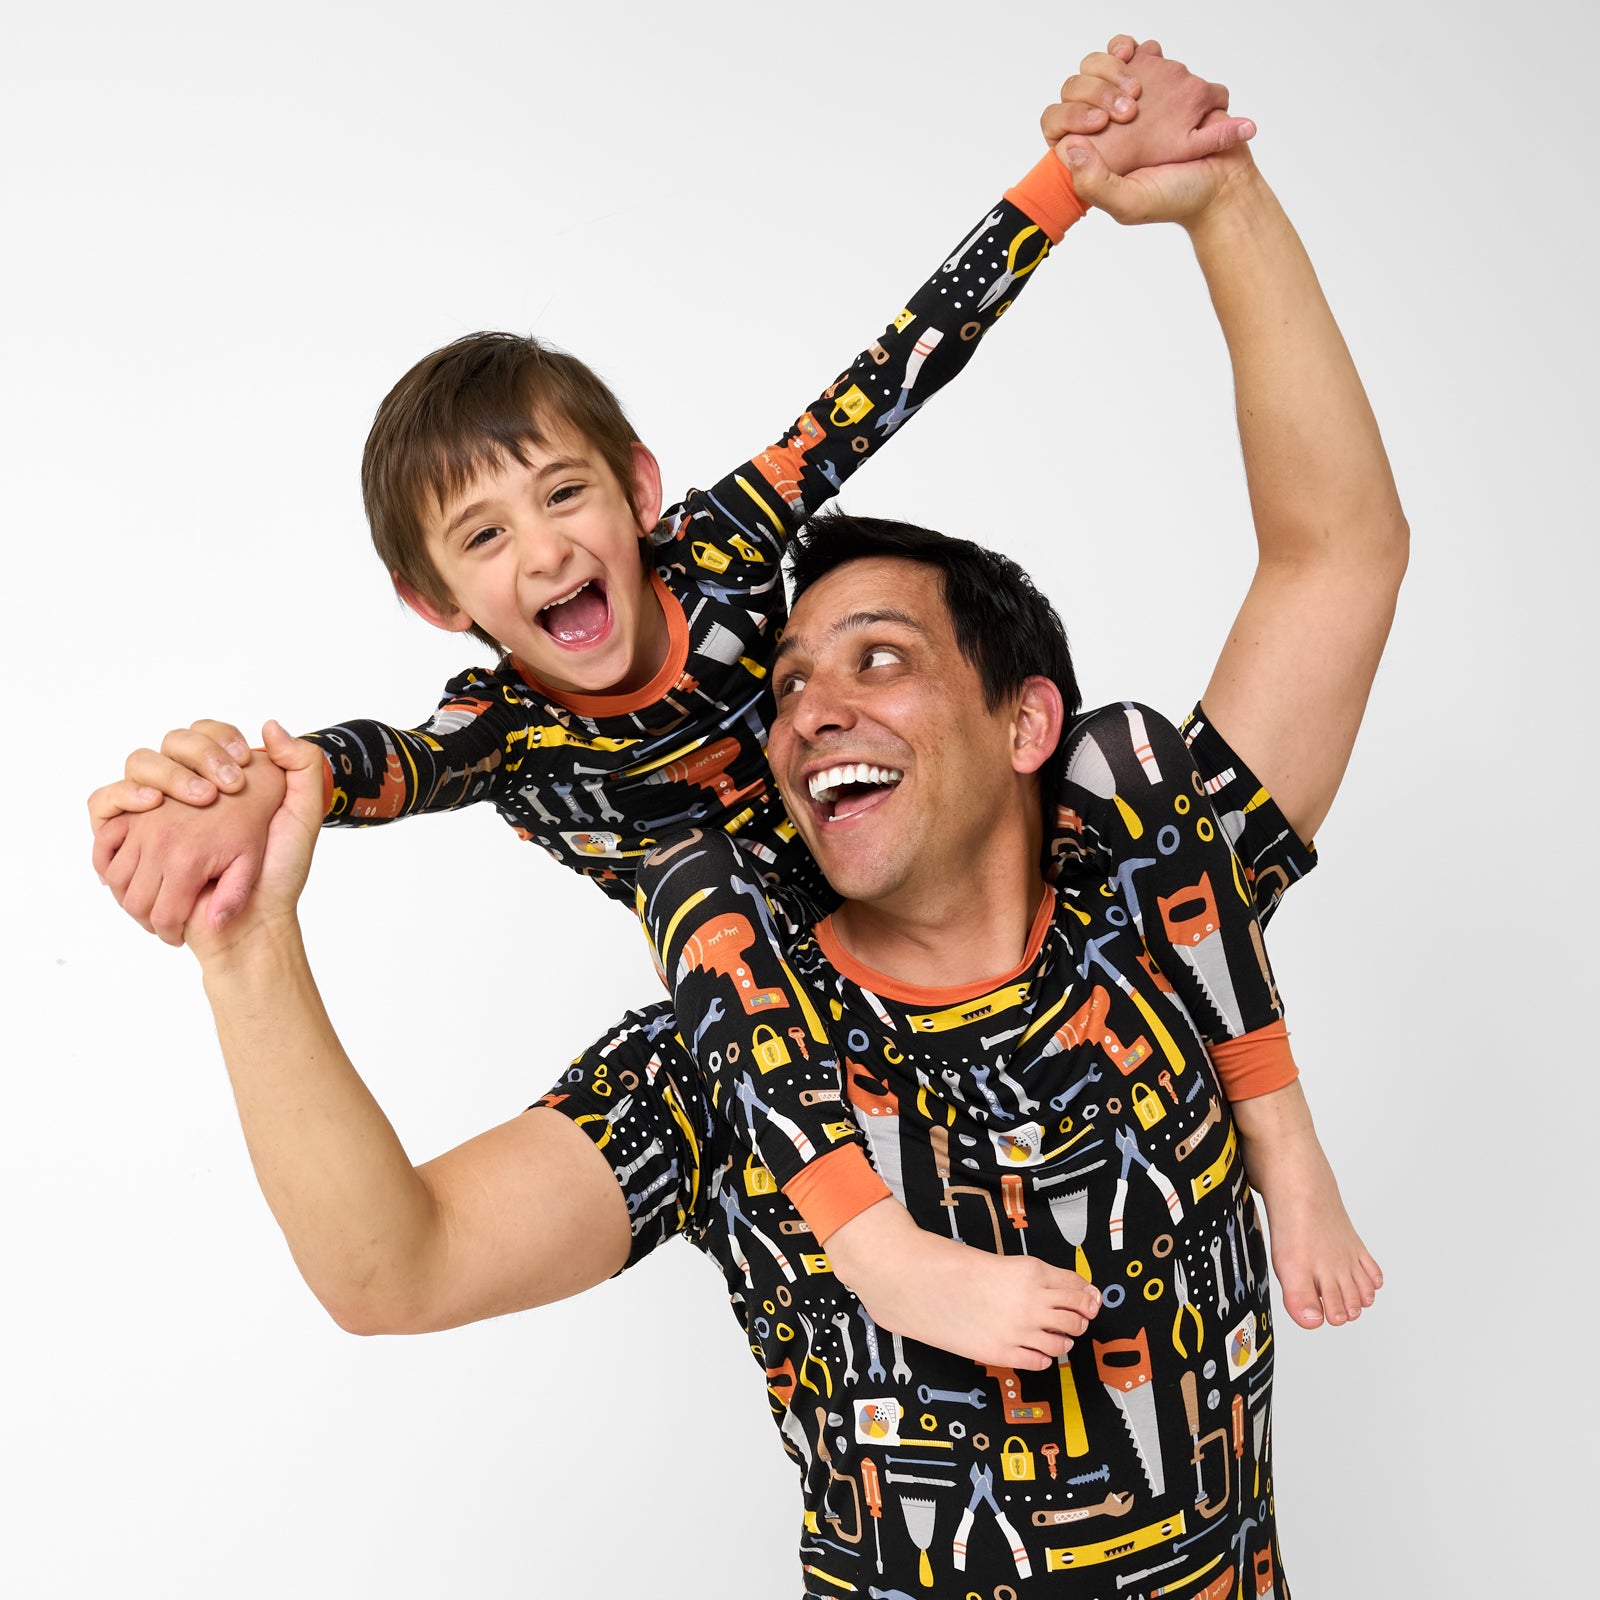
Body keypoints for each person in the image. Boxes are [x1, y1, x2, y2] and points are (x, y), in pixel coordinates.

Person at [95, 37, 1406, 1591]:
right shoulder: (713, 1061)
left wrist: (1212, 200)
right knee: (697, 873)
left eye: (881, 659)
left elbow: (1335, 553)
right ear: (435, 596)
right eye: (782, 684)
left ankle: (1284, 1136)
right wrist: (250, 921)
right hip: (758, 1023)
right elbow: (397, 1270)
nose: (806, 712)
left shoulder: (1155, 900)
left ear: (1022, 724)